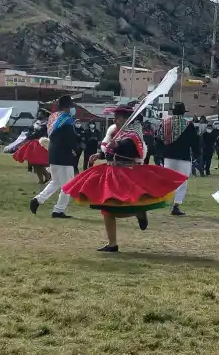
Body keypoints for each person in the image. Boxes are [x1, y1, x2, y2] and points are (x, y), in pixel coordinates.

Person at [62, 106, 188, 252]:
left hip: (125, 173)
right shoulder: (120, 132)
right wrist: (101, 155)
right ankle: (113, 243)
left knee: (111, 208)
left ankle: (135, 216)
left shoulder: (134, 133)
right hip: (112, 171)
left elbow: (130, 149)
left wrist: (117, 145)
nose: (115, 120)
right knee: (106, 209)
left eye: (117, 118)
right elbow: (112, 150)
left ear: (124, 119)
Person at [28, 96, 79, 219]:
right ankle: (58, 210)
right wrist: (76, 148)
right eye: (71, 106)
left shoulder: (53, 117)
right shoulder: (67, 120)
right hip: (64, 156)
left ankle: (37, 200)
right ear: (67, 107)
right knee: (69, 185)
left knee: (56, 182)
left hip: (53, 153)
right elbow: (70, 138)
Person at [160, 102, 200, 216]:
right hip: (183, 157)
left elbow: (159, 138)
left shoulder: (166, 123)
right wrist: (197, 154)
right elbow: (194, 141)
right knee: (182, 182)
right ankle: (176, 206)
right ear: (183, 112)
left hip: (168, 156)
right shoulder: (188, 124)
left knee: (168, 180)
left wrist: (161, 153)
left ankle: (161, 199)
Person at [13, 110, 51, 184]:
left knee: (38, 163)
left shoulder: (46, 123)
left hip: (42, 143)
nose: (39, 115)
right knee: (34, 163)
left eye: (41, 114)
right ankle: (41, 179)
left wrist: (30, 135)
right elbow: (32, 131)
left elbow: (39, 133)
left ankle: (46, 175)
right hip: (35, 143)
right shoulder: (37, 122)